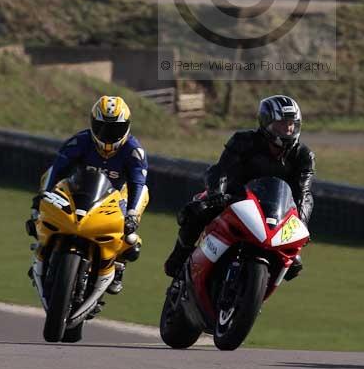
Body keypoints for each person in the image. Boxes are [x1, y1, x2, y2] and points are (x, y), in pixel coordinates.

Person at [164, 94, 315, 278]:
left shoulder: (304, 156)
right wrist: (216, 194)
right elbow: (220, 171)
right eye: (283, 124)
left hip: (275, 211)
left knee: (294, 263)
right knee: (196, 211)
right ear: (266, 123)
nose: (288, 129)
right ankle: (179, 254)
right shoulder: (243, 140)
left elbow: (303, 193)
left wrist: (301, 225)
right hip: (234, 197)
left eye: (292, 124)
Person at [26, 95, 149, 295]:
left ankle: (117, 264)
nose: (108, 135)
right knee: (44, 198)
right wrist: (43, 195)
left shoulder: (134, 150)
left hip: (116, 196)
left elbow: (137, 182)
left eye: (114, 129)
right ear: (92, 123)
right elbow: (57, 169)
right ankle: (43, 249)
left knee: (141, 199)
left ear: (127, 126)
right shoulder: (79, 141)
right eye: (102, 128)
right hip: (80, 190)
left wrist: (132, 215)